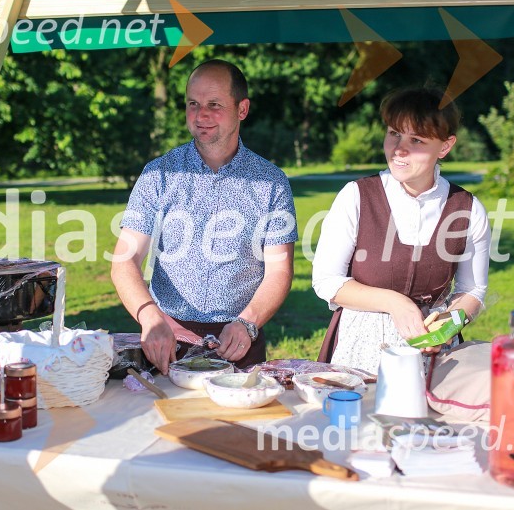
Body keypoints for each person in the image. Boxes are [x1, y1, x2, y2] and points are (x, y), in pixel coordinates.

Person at [111, 59, 298, 374]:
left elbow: (279, 271)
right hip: (167, 339)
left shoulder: (271, 182)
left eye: (214, 104)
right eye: (193, 104)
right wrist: (149, 317)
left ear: (242, 109)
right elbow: (124, 260)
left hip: (240, 339)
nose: (201, 115)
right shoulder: (159, 174)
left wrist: (248, 322)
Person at [312, 86, 490, 373]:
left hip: (435, 358)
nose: (399, 149)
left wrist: (447, 326)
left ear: (445, 146)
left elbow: (473, 290)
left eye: (416, 139)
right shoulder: (356, 196)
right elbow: (326, 281)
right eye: (394, 133)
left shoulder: (468, 208)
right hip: (361, 351)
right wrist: (395, 303)